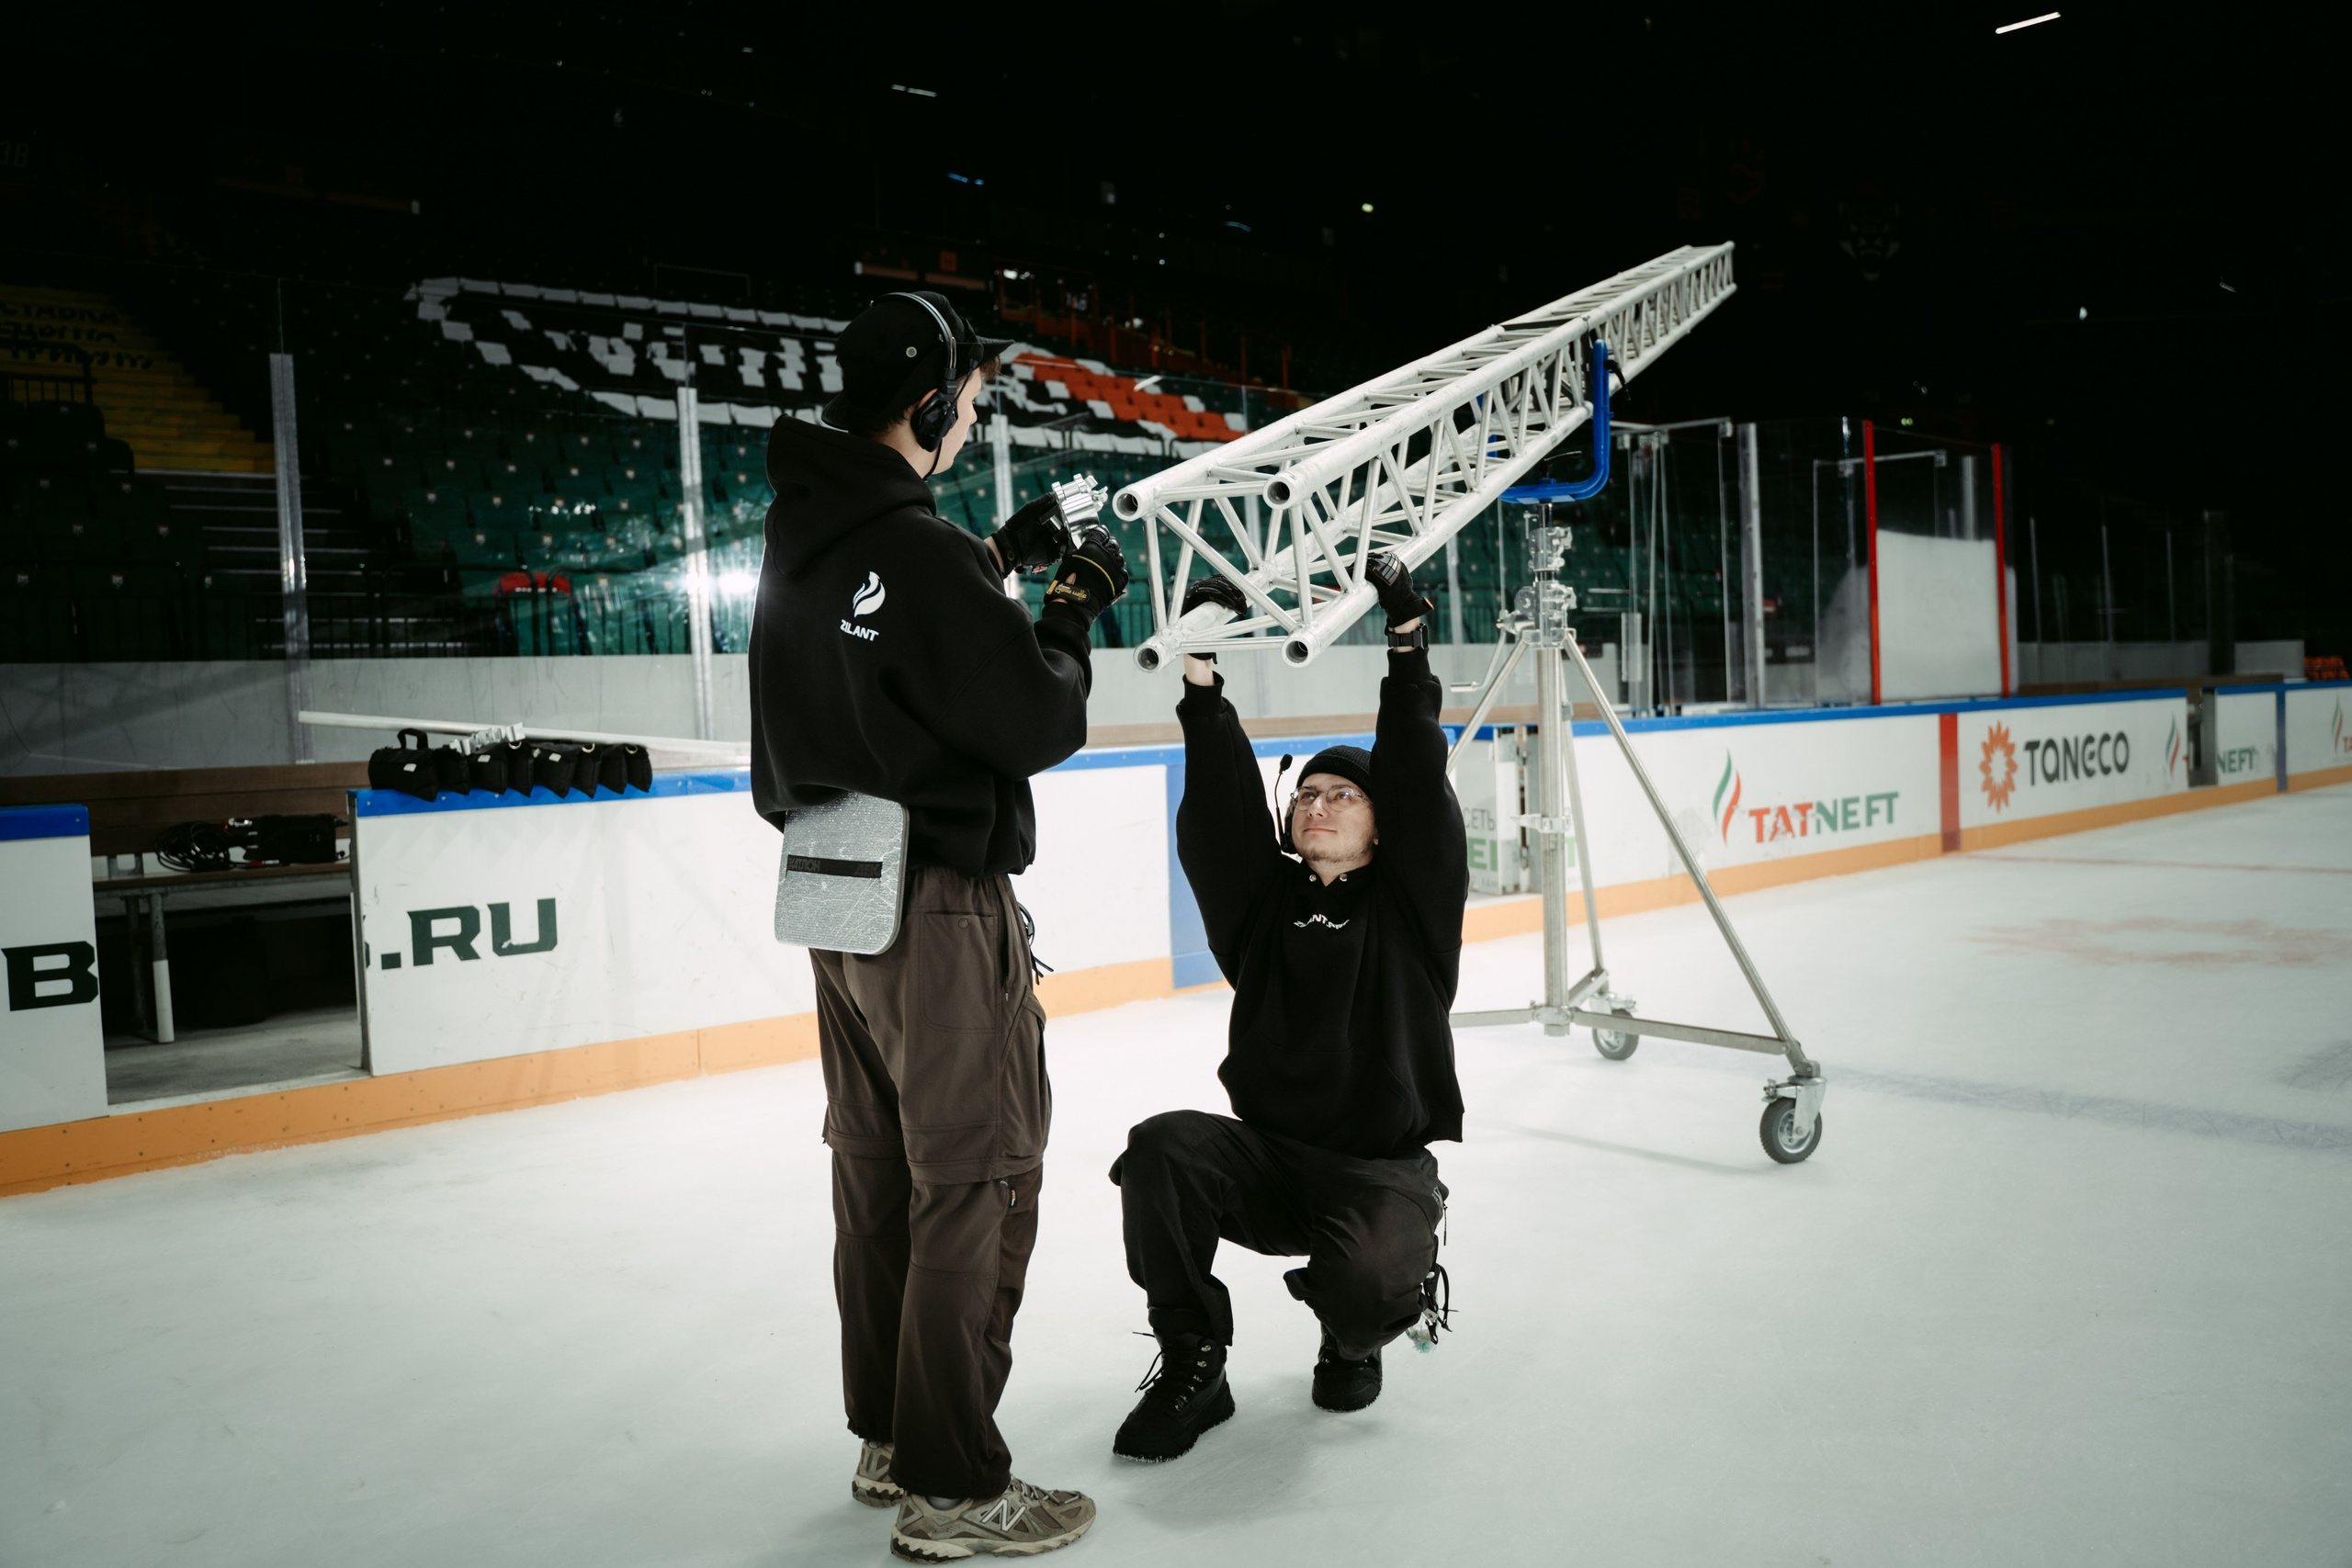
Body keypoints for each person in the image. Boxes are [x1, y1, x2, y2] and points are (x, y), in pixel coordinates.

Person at [749, 289, 1130, 1559]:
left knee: (876, 1172)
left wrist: (994, 567)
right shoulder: (921, 553)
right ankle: (955, 1484)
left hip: (833, 889)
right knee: (975, 1175)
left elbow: (888, 650)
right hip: (939, 903)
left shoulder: (805, 536)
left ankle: (889, 1436)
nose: (972, 414)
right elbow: (1031, 718)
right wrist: (1067, 609)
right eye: (967, 394)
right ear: (927, 400)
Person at [1108, 554, 1467, 1462]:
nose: (1319, 804)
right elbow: (1221, 810)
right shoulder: (1262, 910)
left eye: (1343, 795)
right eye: (1307, 793)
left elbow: (1418, 779)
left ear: (1382, 826)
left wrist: (1406, 645)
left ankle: (1351, 1335)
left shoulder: (1411, 905)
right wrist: (1200, 674)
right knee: (1161, 1147)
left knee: (1374, 1274)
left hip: (1378, 1171)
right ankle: (1195, 1357)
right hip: (1267, 1163)